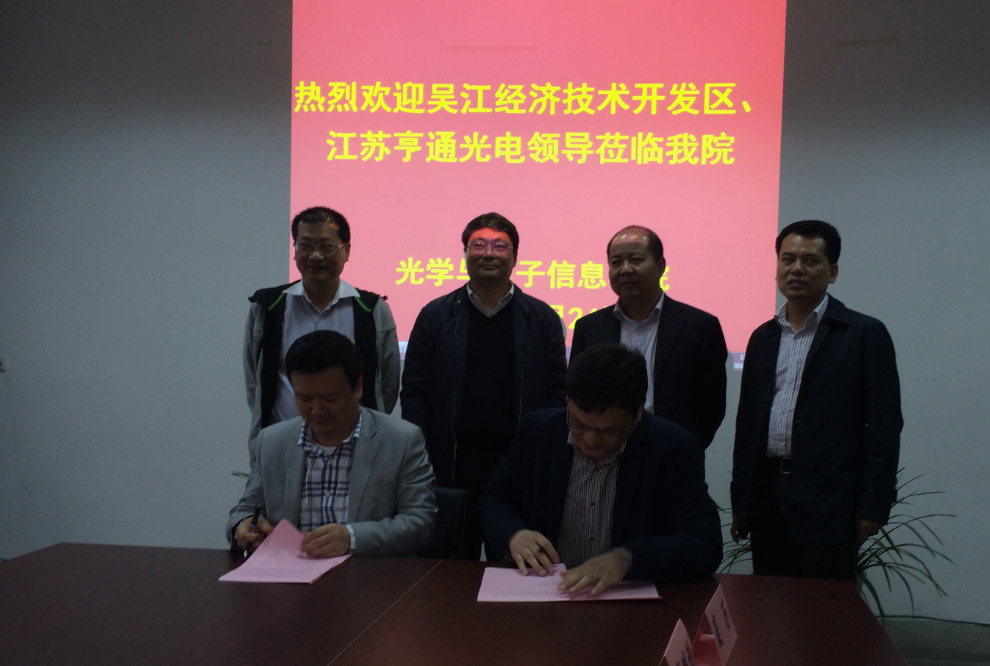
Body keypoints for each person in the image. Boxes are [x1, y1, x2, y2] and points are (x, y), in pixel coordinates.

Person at [730, 220, 902, 580]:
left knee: (824, 604)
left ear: (832, 272)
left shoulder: (863, 334)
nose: (796, 269)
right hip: (767, 494)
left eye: (810, 261)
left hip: (831, 499)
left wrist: (873, 504)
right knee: (770, 599)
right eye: (787, 259)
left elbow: (884, 426)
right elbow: (747, 425)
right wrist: (741, 499)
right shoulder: (762, 337)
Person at [479, 344, 722, 595]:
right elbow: (494, 499)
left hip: (624, 599)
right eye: (578, 424)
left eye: (608, 432)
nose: (590, 440)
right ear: (568, 401)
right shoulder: (537, 433)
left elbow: (705, 543)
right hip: (546, 592)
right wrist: (513, 534)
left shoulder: (672, 448)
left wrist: (625, 560)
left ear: (638, 410)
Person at [400, 212, 567, 559]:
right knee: (445, 569)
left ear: (515, 257)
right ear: (465, 253)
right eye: (479, 245)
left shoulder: (542, 318)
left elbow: (557, 393)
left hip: (516, 462)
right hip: (450, 462)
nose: (489, 253)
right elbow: (414, 391)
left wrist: (546, 456)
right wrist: (422, 457)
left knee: (514, 564)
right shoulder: (435, 315)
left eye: (500, 246)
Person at [228, 330, 436, 557]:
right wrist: (243, 525)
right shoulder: (271, 442)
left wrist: (351, 538)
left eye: (330, 399)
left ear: (358, 387)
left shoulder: (401, 441)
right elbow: (244, 510)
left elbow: (420, 522)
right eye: (305, 398)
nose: (317, 410)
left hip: (369, 573)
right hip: (290, 571)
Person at [244, 206, 400, 455]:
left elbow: (386, 388)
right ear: (295, 250)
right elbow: (255, 382)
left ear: (346, 251)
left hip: (356, 450)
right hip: (282, 449)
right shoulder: (268, 307)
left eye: (326, 246)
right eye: (305, 245)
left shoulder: (371, 310)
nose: (315, 256)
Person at [570, 226, 727, 449]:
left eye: (635, 260)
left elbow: (712, 405)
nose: (625, 269)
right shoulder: (589, 327)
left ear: (661, 266)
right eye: (616, 262)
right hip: (604, 451)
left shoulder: (700, 327)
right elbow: (576, 395)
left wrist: (686, 447)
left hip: (673, 451)